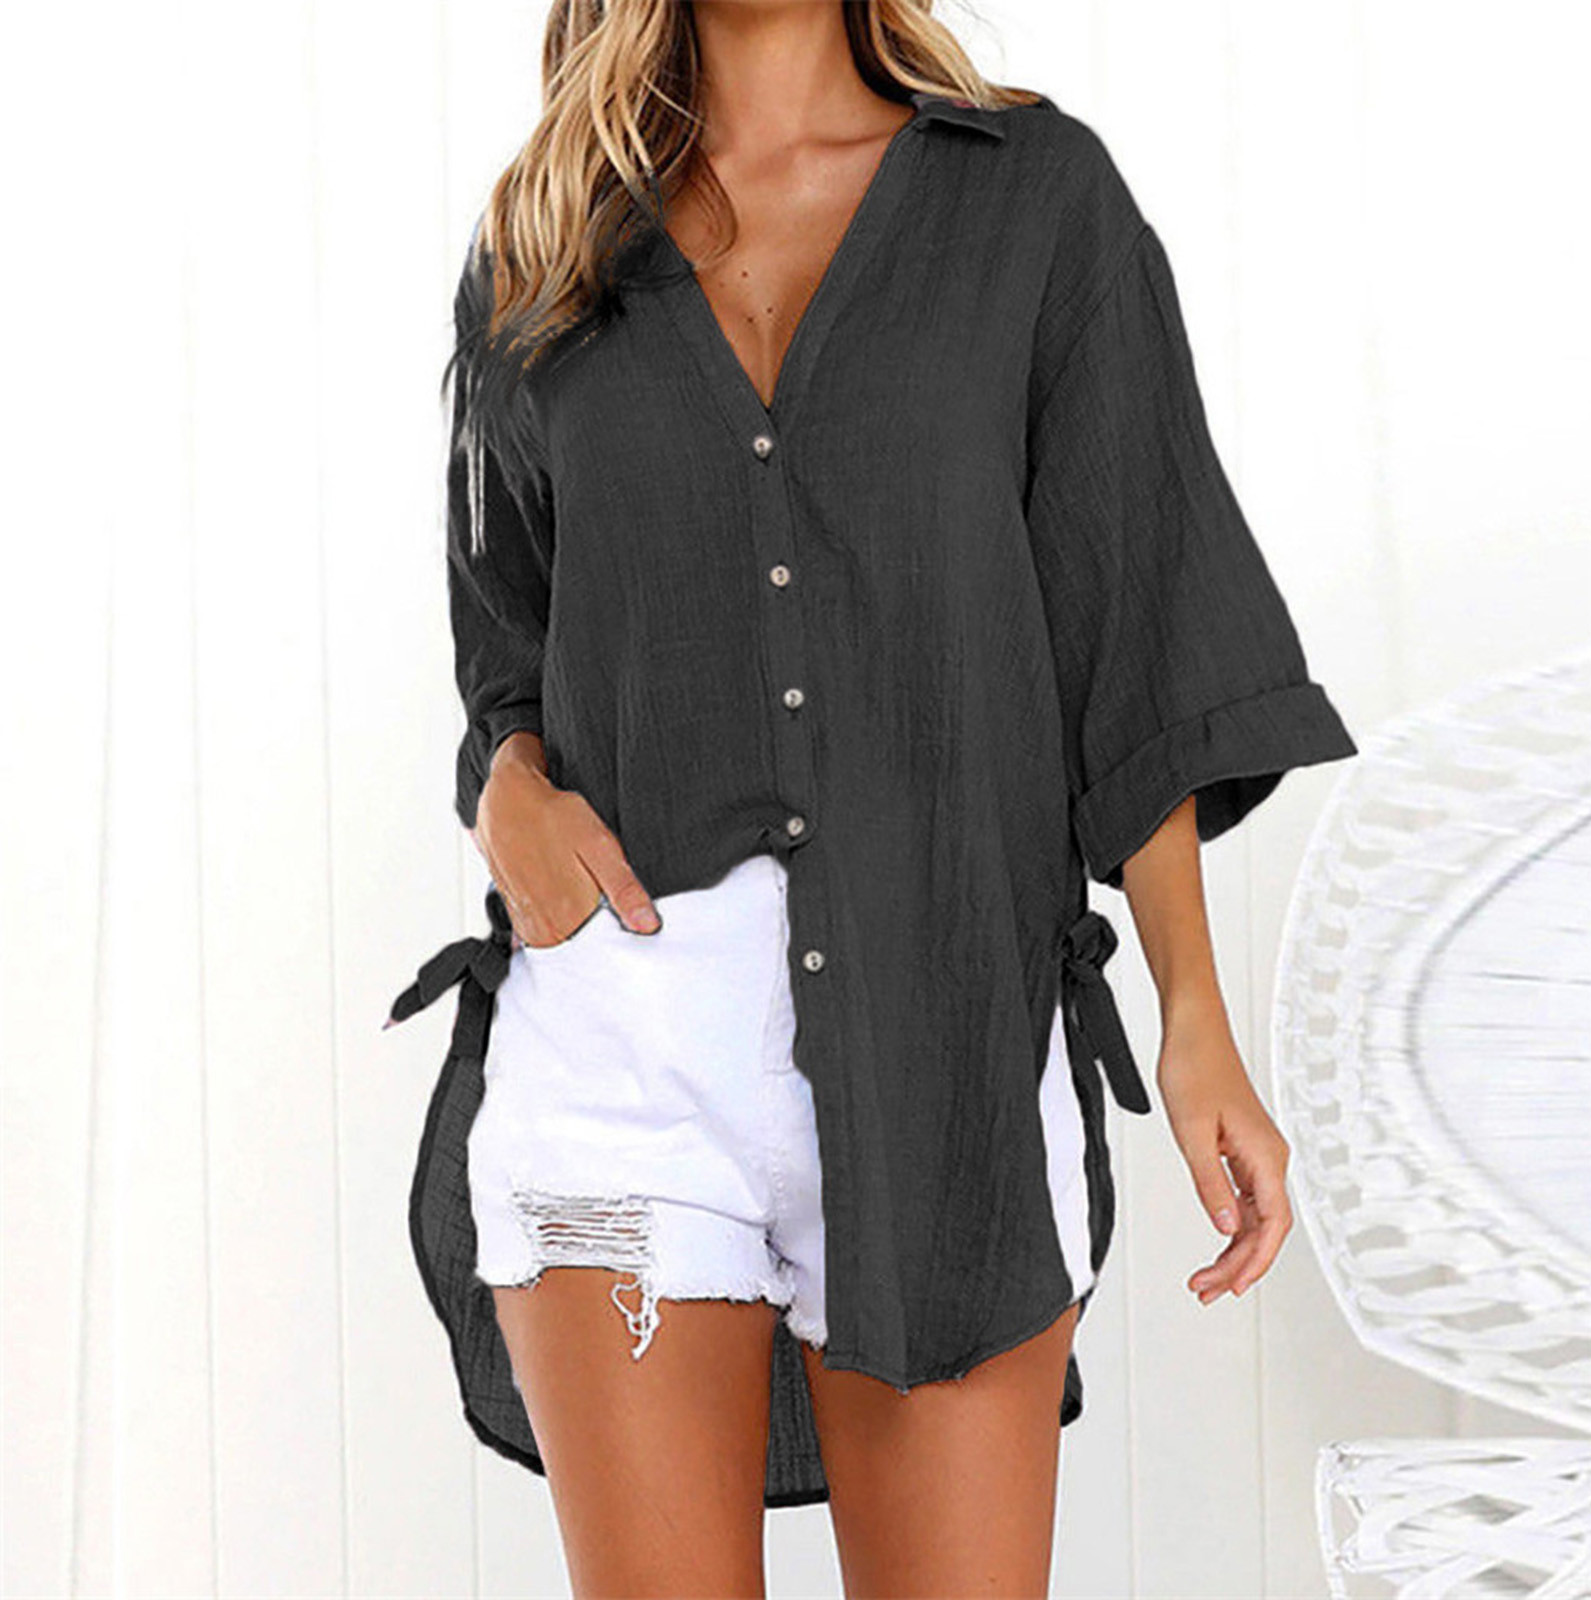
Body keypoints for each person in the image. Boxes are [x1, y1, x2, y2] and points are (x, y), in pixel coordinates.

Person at [385, 0, 1360, 1592]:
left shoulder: (1035, 202)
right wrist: (508, 792)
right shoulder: (543, 242)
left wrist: (1194, 1011)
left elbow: (1139, 636)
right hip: (626, 1052)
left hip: (952, 1042)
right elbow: (505, 649)